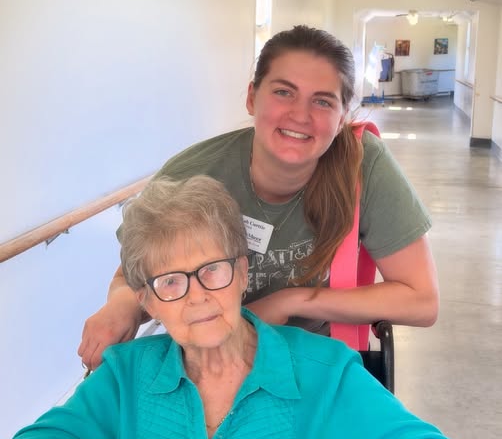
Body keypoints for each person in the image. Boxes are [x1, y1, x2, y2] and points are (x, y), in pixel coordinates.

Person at [0, 176, 484, 439]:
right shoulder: (127, 377)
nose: (197, 297)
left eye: (213, 270)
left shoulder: (324, 374)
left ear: (242, 274)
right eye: (171, 282)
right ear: (148, 303)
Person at [79, 24, 439, 370]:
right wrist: (123, 305)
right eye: (283, 92)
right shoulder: (191, 177)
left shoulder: (363, 164)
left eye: (323, 102)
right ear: (252, 98)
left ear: (343, 115)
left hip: (312, 359)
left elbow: (421, 301)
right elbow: (136, 277)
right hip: (209, 358)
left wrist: (291, 301)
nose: (300, 115)